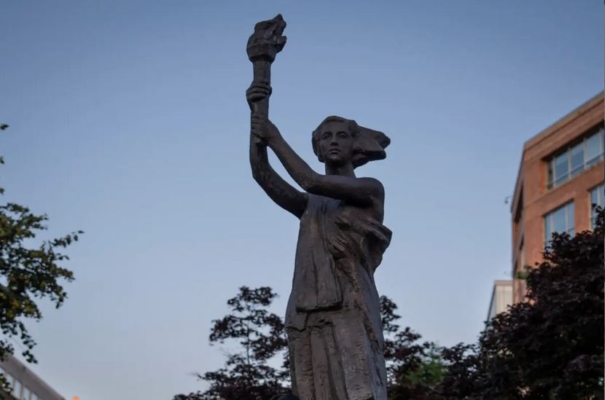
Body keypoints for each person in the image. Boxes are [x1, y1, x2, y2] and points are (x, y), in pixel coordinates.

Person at [247, 83, 392, 400]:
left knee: (359, 390)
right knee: (312, 391)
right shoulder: (309, 204)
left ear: (356, 145)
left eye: (342, 135)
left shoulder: (370, 188)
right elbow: (262, 174)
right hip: (306, 303)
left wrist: (274, 137)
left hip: (350, 301)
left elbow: (311, 179)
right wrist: (257, 111)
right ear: (317, 149)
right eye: (326, 137)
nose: (334, 141)